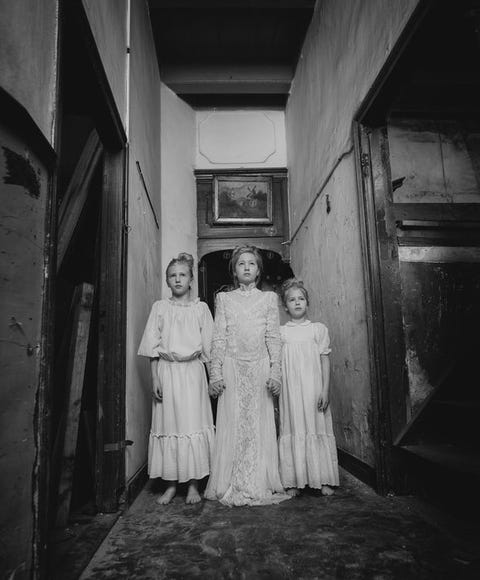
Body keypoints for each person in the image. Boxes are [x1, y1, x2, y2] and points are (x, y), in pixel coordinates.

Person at [205, 245, 290, 506]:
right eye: (241, 263)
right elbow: (218, 338)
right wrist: (215, 374)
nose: (246, 267)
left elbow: (273, 337)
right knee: (233, 424)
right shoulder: (224, 299)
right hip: (232, 368)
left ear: (258, 270)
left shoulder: (268, 299)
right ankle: (231, 480)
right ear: (234, 270)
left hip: (259, 368)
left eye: (251, 263)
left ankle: (258, 479)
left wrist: (275, 373)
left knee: (257, 425)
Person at [137, 253, 215, 504]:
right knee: (169, 426)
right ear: (167, 281)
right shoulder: (160, 308)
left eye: (183, 275)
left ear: (191, 280)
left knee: (192, 424)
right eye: (173, 275)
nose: (178, 279)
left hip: (193, 373)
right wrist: (155, 379)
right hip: (167, 372)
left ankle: (193, 485)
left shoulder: (201, 309)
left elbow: (209, 349)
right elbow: (152, 347)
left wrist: (213, 379)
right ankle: (171, 484)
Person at [278, 278, 339, 496]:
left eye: (301, 299)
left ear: (307, 303)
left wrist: (325, 390)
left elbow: (325, 361)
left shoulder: (317, 330)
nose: (297, 303)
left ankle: (322, 478)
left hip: (313, 389)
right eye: (292, 300)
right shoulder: (281, 333)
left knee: (317, 426)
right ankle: (294, 481)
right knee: (293, 427)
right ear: (285, 306)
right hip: (291, 391)